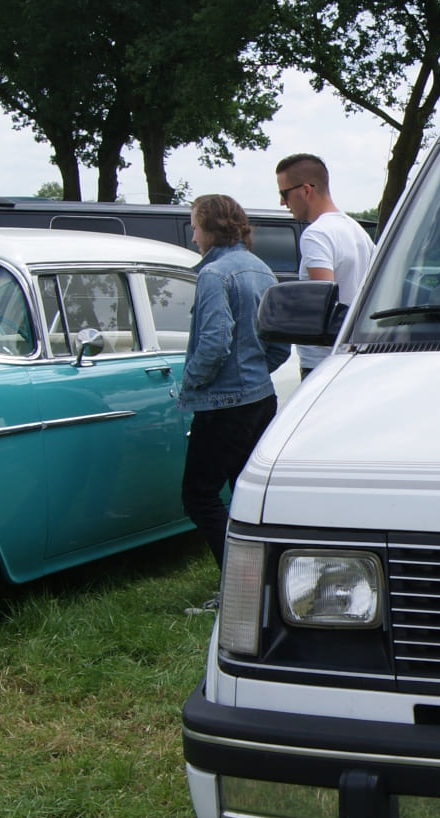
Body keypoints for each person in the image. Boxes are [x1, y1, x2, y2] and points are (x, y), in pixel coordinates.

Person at [180, 194, 290, 573]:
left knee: (198, 496)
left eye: (195, 225)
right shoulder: (262, 269)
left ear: (210, 227)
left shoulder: (214, 274)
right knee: (246, 497)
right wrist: (255, 372)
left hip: (223, 406)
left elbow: (213, 344)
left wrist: (190, 384)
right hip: (260, 398)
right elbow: (281, 346)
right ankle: (258, 580)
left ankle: (237, 583)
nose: (193, 235)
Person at [275, 153, 375, 378]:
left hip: (322, 362)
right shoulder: (356, 230)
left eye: (284, 194)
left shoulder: (316, 235)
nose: (282, 202)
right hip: (354, 353)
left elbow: (323, 305)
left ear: (306, 190)